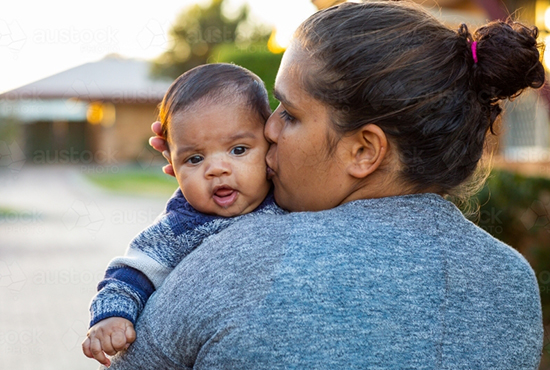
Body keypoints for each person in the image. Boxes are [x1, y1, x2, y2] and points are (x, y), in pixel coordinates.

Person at [104, 1, 545, 369]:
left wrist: (192, 209)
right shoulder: (512, 282)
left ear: (363, 151)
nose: (268, 131)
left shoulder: (238, 259)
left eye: (289, 114)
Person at [82, 63, 285, 367]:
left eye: (239, 150)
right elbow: (133, 272)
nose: (216, 169)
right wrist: (112, 315)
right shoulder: (183, 225)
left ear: (271, 145)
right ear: (171, 165)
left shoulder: (289, 194)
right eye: (194, 158)